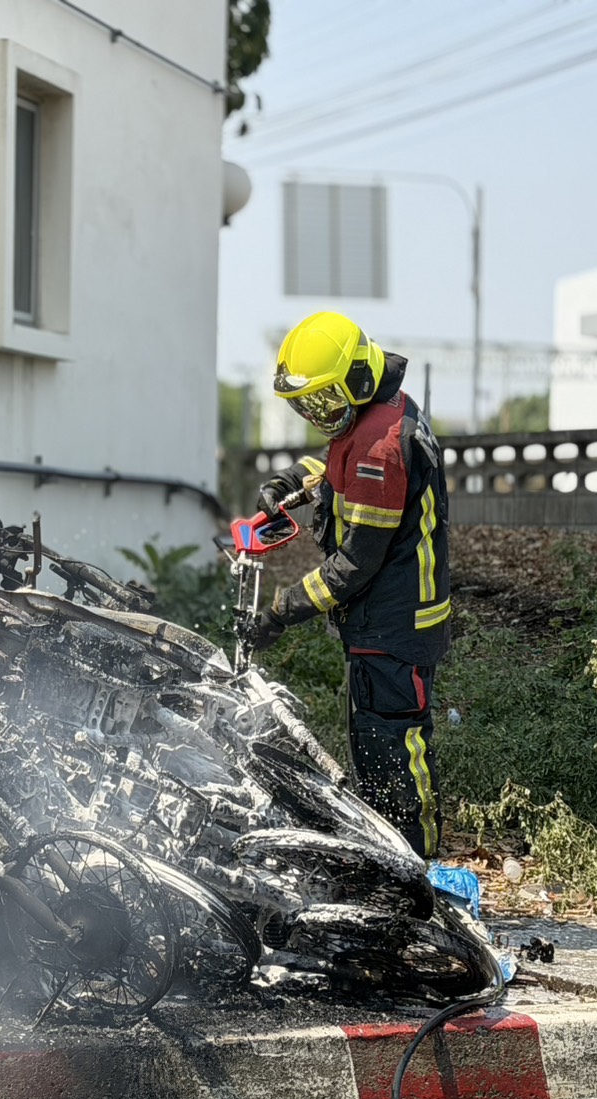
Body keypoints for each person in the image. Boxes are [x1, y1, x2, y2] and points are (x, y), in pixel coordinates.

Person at [246, 311, 450, 859]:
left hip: (396, 623)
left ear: (358, 377)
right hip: (386, 617)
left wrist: (282, 610)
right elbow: (340, 457)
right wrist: (293, 480)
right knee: (376, 745)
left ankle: (420, 866)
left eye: (325, 402)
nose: (319, 416)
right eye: (307, 406)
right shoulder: (379, 411)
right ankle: (387, 853)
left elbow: (355, 564)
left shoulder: (381, 448)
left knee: (395, 750)